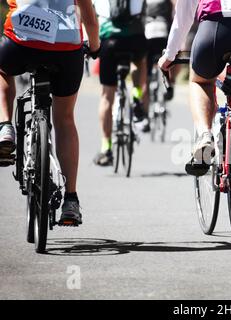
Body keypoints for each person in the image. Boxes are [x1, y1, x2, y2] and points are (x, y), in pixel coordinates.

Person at [158, 0, 231, 215]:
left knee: (200, 81)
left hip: (215, 25)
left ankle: (204, 136)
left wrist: (170, 55)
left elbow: (183, 16)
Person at [0, 0, 100, 225]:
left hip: (21, 41)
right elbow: (89, 16)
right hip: (66, 48)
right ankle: (71, 200)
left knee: (3, 70)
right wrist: (94, 47)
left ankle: (6, 126)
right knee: (65, 119)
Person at [92, 0, 148, 166]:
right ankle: (137, 95)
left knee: (107, 96)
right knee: (140, 61)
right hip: (135, 39)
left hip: (109, 41)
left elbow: (91, 15)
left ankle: (106, 148)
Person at [135, 0, 174, 132]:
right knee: (169, 60)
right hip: (163, 32)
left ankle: (144, 118)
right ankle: (169, 84)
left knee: (145, 76)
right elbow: (173, 14)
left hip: (148, 34)